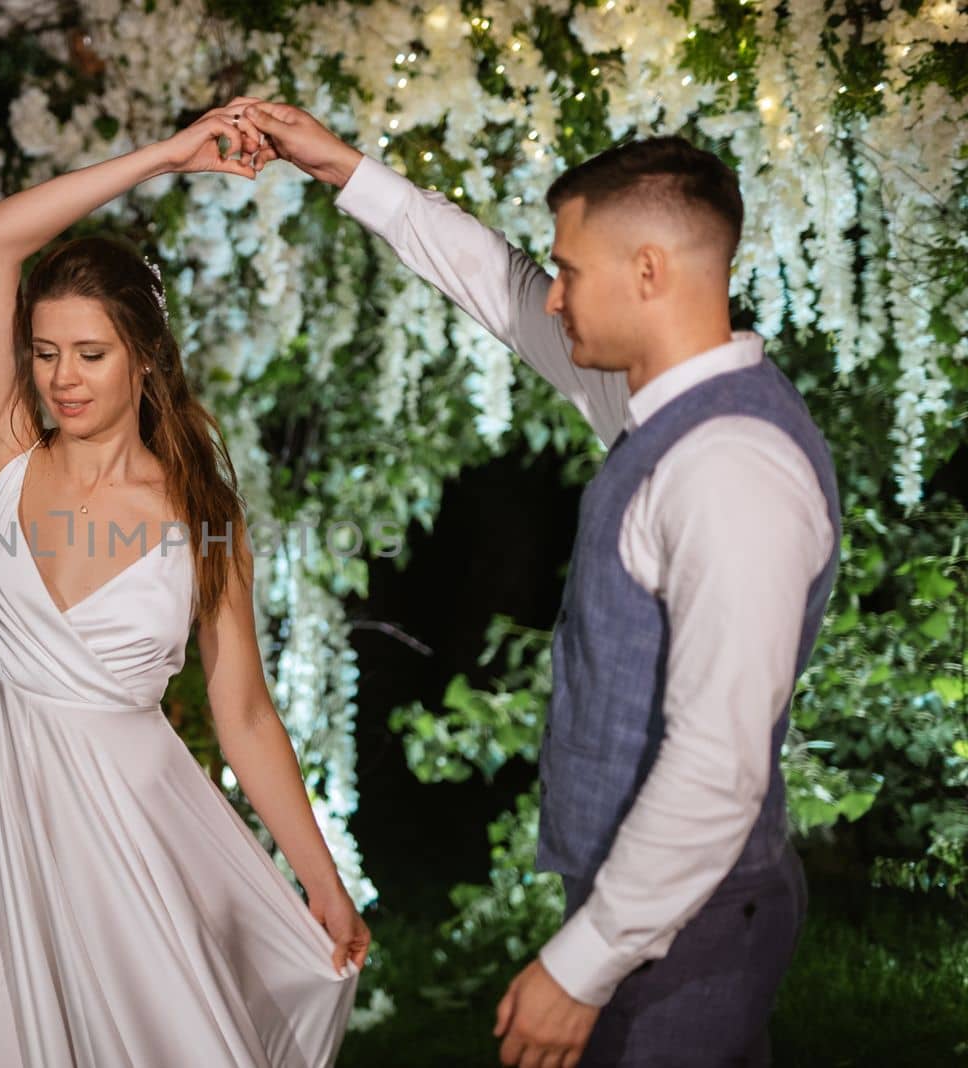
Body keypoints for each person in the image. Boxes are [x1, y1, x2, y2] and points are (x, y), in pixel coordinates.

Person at [237, 105, 839, 1066]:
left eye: (570, 270)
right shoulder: (667, 409)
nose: (554, 297)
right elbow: (500, 289)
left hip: (686, 934)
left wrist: (581, 965)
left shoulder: (731, 470)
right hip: (655, 913)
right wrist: (346, 170)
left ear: (649, 272)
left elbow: (720, 764)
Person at [0, 98, 369, 1068]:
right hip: (21, 865)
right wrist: (165, 158)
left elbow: (242, 712)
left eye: (90, 353)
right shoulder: (1, 458)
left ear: (145, 357)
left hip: (143, 859)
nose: (61, 379)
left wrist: (321, 880)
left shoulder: (196, 514)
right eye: (43, 354)